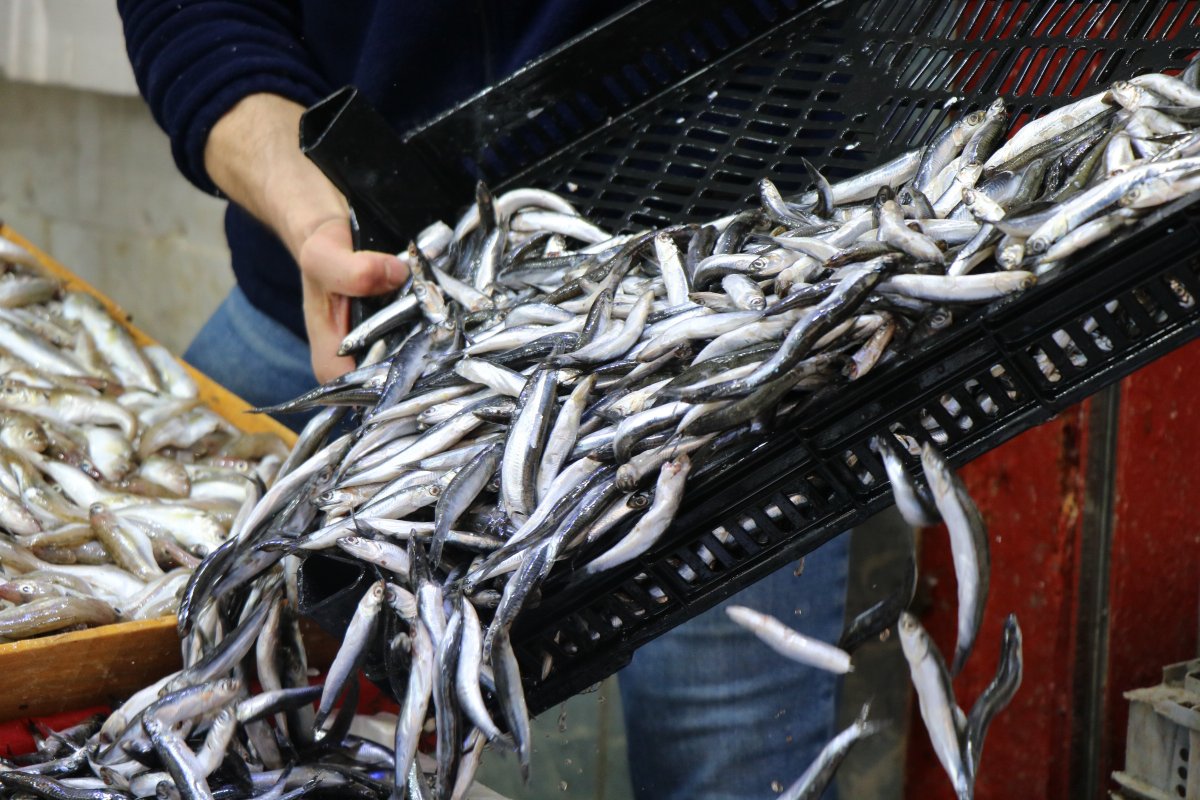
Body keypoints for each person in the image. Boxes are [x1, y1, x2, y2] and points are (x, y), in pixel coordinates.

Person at [116, 3, 849, 797]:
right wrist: (304, 208)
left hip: (726, 320)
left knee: (734, 752)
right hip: (336, 301)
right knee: (147, 661)